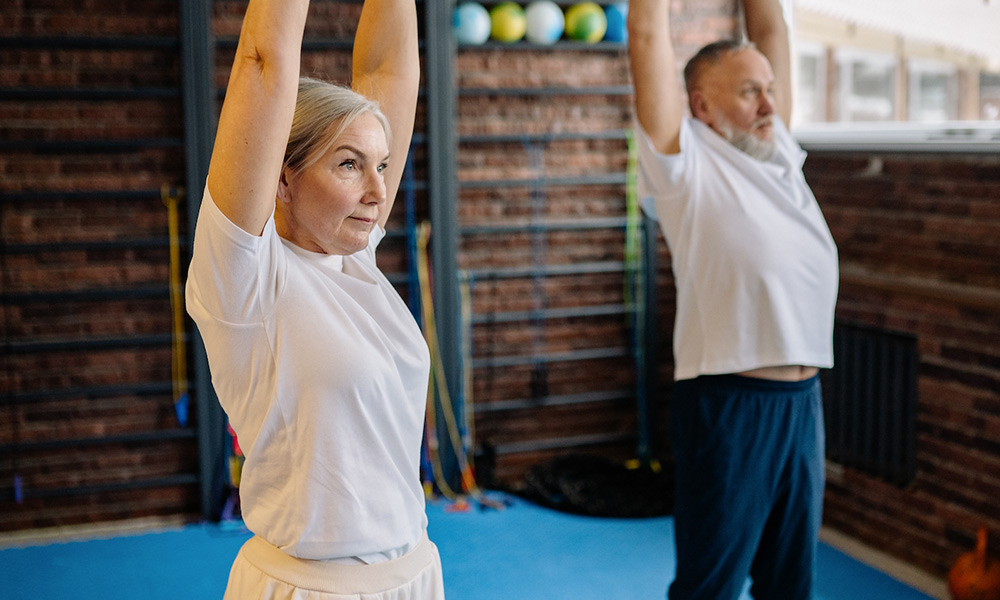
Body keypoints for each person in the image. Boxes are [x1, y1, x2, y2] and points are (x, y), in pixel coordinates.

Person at [185, 0, 444, 597]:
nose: (380, 191)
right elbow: (263, 60)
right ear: (282, 176)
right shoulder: (245, 281)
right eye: (349, 165)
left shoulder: (353, 256)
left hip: (414, 573)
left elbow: (389, 70)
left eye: (381, 164)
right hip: (312, 588)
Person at [627, 0, 839, 598]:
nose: (769, 104)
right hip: (728, 404)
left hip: (802, 404)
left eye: (770, 88)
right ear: (702, 106)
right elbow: (645, 33)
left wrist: (764, 76)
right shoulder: (684, 164)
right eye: (750, 92)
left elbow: (770, 23)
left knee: (789, 583)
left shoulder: (779, 157)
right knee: (710, 586)